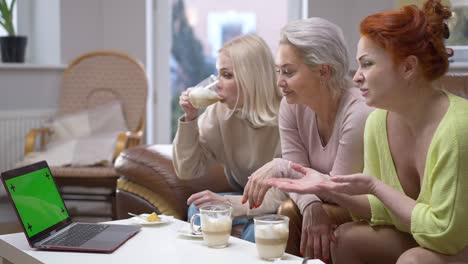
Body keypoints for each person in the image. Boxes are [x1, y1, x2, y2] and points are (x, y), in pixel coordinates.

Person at [268, 1, 468, 263]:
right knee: (347, 239)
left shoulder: (457, 129)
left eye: (368, 64)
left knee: (414, 261)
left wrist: (375, 187)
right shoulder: (378, 122)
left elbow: (444, 234)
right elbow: (378, 211)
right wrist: (326, 186)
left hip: (457, 243)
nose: (356, 77)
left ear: (408, 67)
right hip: (420, 233)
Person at [241, 18, 373, 261]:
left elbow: (338, 189)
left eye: (289, 72)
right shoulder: (291, 106)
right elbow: (298, 181)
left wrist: (283, 167)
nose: (279, 82)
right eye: (278, 71)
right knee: (288, 211)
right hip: (325, 202)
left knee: (288, 211)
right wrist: (311, 206)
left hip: (362, 211)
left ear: (324, 71)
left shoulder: (359, 112)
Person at [172, 34, 287, 242]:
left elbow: (285, 193)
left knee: (257, 232)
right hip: (247, 198)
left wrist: (231, 206)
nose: (217, 84)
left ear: (250, 78)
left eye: (226, 75)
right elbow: (187, 169)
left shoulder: (287, 113)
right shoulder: (219, 111)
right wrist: (190, 119)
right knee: (198, 211)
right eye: (217, 74)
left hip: (281, 204)